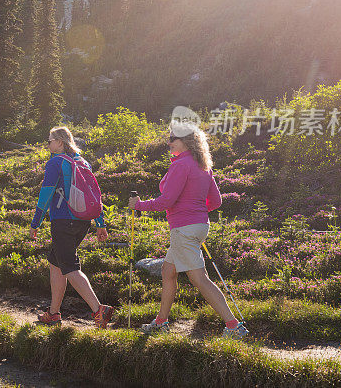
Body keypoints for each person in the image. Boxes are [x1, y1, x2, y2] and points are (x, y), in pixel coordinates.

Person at [129, 122, 249, 338]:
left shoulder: (181, 165)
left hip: (184, 229)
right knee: (168, 271)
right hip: (198, 226)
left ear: (186, 141)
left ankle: (233, 326)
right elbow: (216, 201)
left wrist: (139, 205)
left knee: (200, 279)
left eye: (172, 138)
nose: (168, 142)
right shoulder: (202, 165)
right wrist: (196, 211)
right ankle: (161, 322)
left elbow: (167, 200)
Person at [30, 126, 114, 328]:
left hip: (63, 221)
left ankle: (98, 309)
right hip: (82, 221)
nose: (48, 145)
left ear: (60, 142)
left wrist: (35, 223)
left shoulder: (55, 162)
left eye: (49, 141)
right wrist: (100, 223)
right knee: (56, 263)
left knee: (69, 266)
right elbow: (95, 195)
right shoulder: (83, 162)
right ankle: (54, 313)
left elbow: (45, 195)